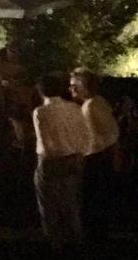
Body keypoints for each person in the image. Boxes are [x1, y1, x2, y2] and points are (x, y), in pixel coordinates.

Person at [33, 75, 88, 250]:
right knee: (71, 201)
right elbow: (85, 135)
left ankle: (55, 242)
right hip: (74, 157)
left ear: (41, 91)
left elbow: (45, 141)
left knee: (48, 203)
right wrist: (80, 154)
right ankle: (76, 238)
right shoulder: (75, 108)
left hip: (50, 161)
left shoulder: (40, 112)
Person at [70, 68, 120, 241]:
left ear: (84, 86)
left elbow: (111, 132)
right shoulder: (91, 103)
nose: (71, 89)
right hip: (94, 156)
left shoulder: (93, 105)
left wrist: (108, 152)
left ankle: (96, 237)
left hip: (97, 158)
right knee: (93, 198)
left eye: (74, 86)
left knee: (93, 197)